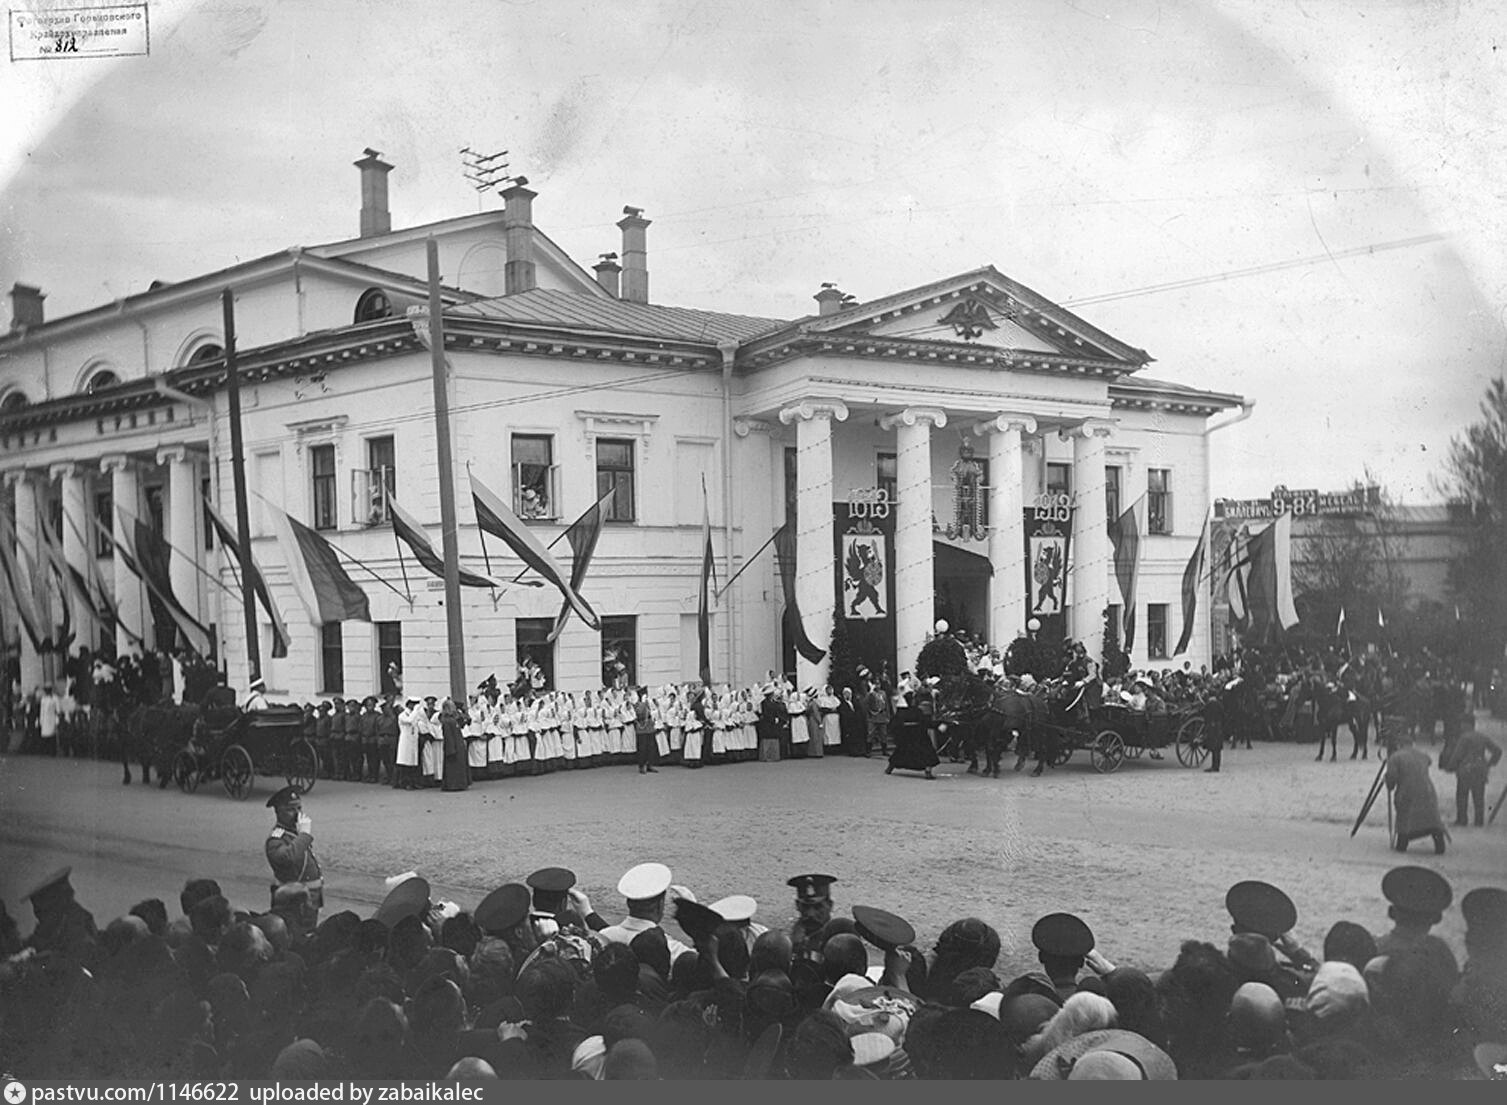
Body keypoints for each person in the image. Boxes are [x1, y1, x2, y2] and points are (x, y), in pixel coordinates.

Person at [265, 785, 323, 925]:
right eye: (290, 810)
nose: (297, 814)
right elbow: (287, 858)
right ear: (278, 812)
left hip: (309, 898)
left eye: (299, 808)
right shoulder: (276, 838)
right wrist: (304, 835)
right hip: (291, 901)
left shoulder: (293, 834)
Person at [1385, 733, 1447, 854]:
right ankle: (1439, 843)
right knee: (1431, 817)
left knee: (1405, 817)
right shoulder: (1422, 755)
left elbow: (1392, 778)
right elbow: (1429, 761)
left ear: (1399, 744)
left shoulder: (1395, 757)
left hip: (1406, 790)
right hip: (1427, 789)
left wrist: (1388, 782)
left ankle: (1402, 843)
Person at [1443, 714, 1502, 828]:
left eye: (1462, 724)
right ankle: (1479, 821)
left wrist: (1450, 767)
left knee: (1462, 795)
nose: (1461, 726)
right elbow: (1498, 751)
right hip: (1480, 770)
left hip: (1466, 770)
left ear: (1467, 724)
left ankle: (1462, 819)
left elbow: (1457, 755)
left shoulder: (1464, 738)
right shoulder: (1482, 737)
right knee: (1479, 796)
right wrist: (1489, 763)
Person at [885, 692, 938, 779]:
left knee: (901, 752)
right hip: (918, 736)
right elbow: (925, 722)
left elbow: (894, 724)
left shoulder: (902, 712)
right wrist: (937, 725)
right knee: (927, 753)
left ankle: (890, 767)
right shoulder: (918, 712)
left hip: (907, 737)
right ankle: (928, 771)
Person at [439, 697, 470, 792]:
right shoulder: (447, 721)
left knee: (459, 766)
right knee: (453, 767)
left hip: (459, 745)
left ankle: (460, 784)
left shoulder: (453, 719)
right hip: (453, 746)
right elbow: (448, 736)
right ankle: (453, 785)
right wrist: (451, 749)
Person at [632, 688, 659, 774]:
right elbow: (639, 715)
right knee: (642, 749)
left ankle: (650, 764)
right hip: (642, 729)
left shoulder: (649, 702)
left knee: (651, 748)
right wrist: (644, 704)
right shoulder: (637, 704)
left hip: (650, 728)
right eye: (644, 694)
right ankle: (641, 766)